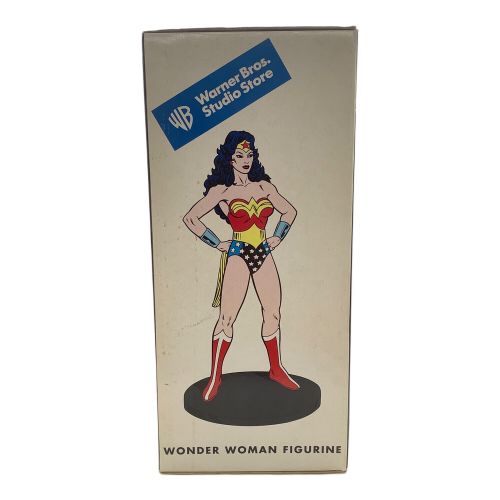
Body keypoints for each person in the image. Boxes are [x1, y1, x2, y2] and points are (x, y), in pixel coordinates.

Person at [183, 131, 299, 402]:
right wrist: (216, 243)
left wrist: (277, 237)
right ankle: (215, 377)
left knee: (273, 313)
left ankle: (276, 369)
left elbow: (290, 211)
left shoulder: (264, 187)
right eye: (239, 155)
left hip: (263, 253)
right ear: (230, 159)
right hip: (238, 253)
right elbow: (191, 218)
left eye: (249, 154)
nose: (246, 160)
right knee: (226, 318)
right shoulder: (222, 191)